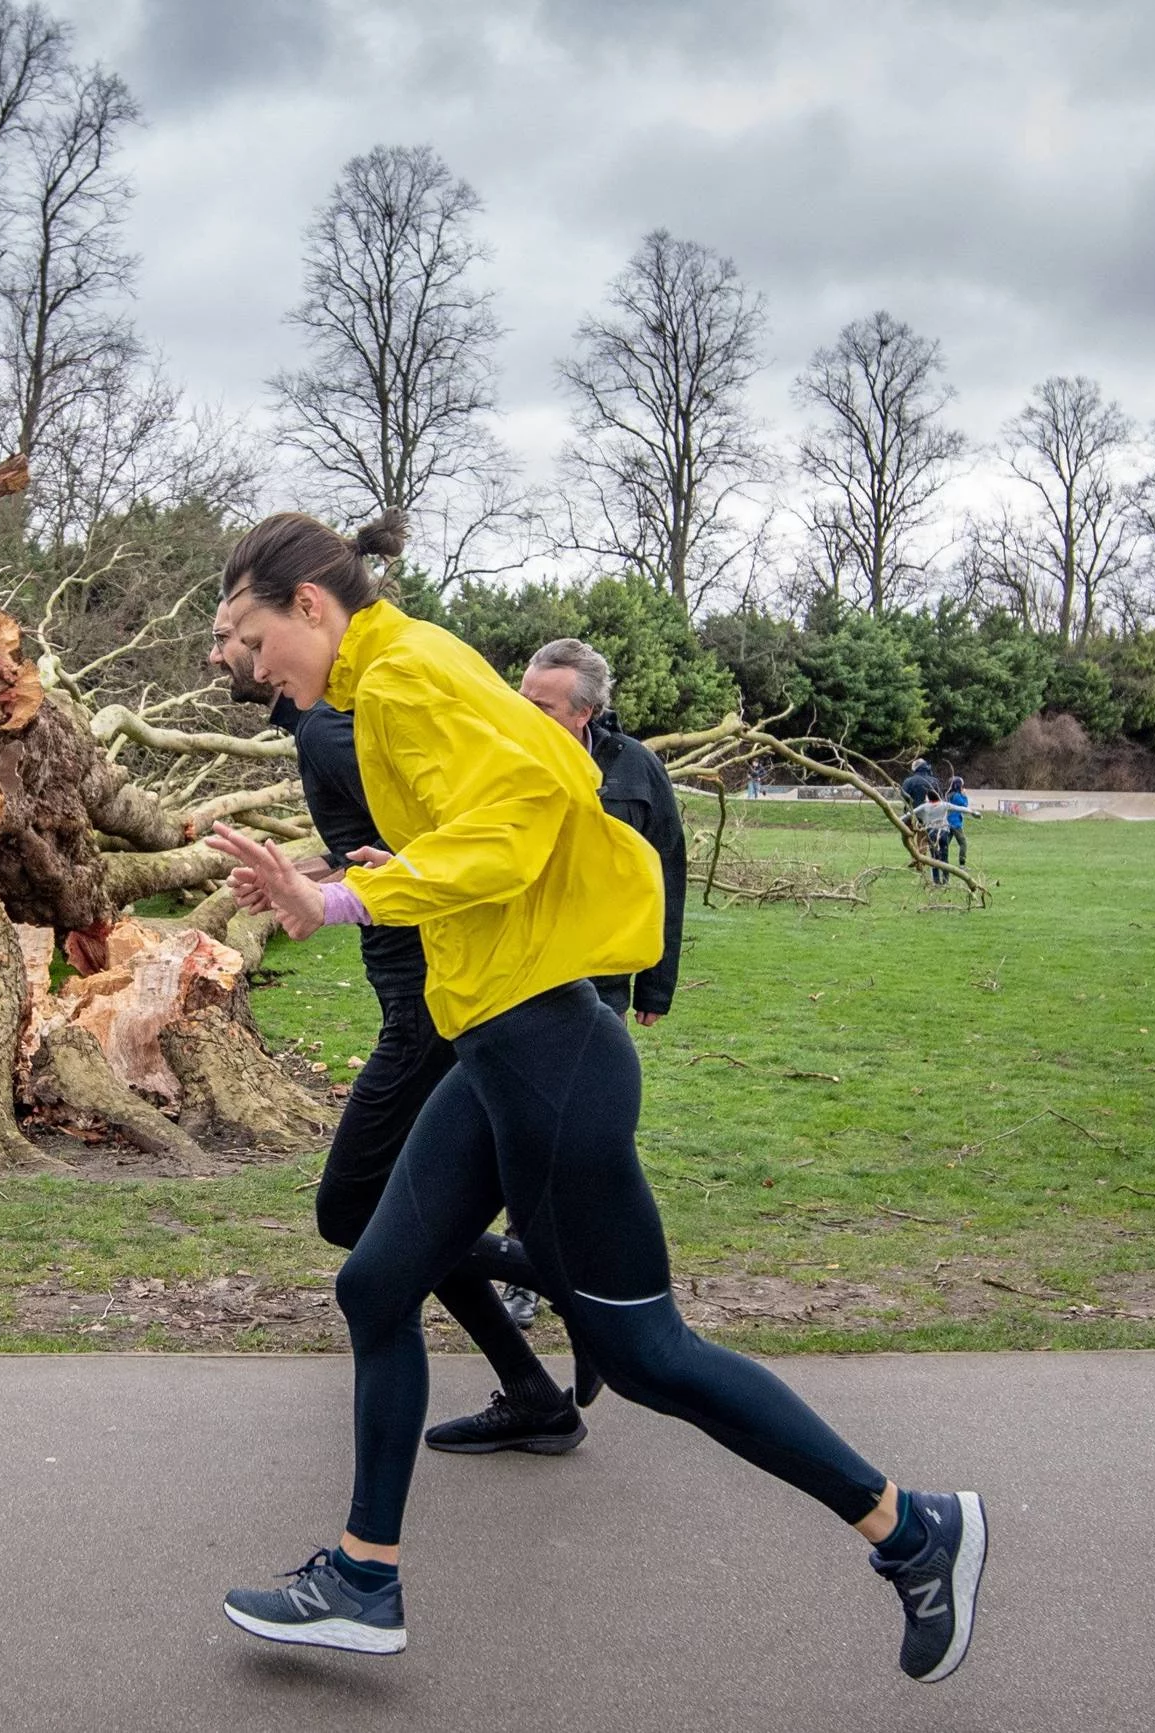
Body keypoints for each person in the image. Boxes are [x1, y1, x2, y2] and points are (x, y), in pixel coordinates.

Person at [203, 510, 987, 1680]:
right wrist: (394, 869)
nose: (254, 669)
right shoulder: (405, 671)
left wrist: (347, 902)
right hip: (501, 1045)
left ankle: (912, 1529)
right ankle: (363, 1578)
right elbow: (549, 779)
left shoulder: (405, 676)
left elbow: (516, 831)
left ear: (309, 607)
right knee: (374, 1280)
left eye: (253, 639)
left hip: (550, 1059)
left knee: (648, 1352)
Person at [207, 596, 580, 1457]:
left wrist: (335, 891)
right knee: (389, 1218)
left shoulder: (331, 728)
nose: (228, 658)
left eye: (238, 639)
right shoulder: (328, 729)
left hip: (427, 1003)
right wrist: (312, 873)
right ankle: (532, 1385)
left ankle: (568, 1283)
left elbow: (448, 841)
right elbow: (394, 845)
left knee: (354, 1209)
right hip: (421, 997)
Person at [517, 639, 686, 1027]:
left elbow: (666, 873)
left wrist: (655, 985)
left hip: (600, 981)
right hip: (514, 971)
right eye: (520, 699)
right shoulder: (495, 758)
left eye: (541, 707)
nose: (523, 715)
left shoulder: (637, 767)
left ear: (585, 713)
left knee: (594, 1084)